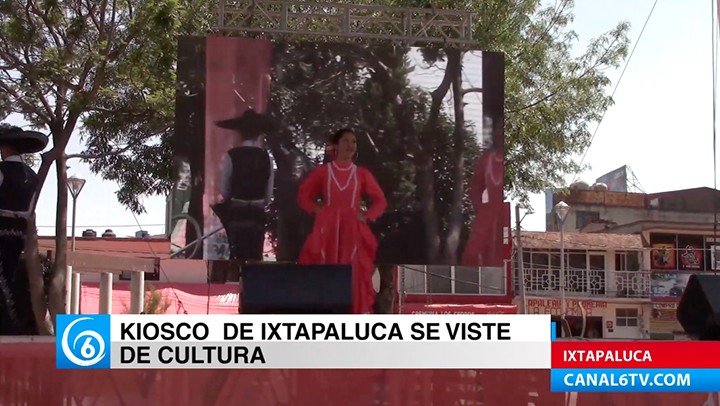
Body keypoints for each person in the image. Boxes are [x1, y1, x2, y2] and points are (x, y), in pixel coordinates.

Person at [297, 129, 387, 314]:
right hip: (327, 228)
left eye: (353, 142)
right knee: (324, 266)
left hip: (352, 230)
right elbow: (304, 195)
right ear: (336, 145)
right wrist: (317, 210)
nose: (350, 145)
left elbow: (380, 200)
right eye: (345, 141)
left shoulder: (361, 174)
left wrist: (367, 216)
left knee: (354, 271)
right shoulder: (323, 172)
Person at [0, 123, 48, 335]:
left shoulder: (2, 171)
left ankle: (8, 325)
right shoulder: (32, 175)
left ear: (5, 148)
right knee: (7, 276)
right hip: (19, 232)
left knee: (3, 281)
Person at [212, 109, 275, 261]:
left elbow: (225, 191)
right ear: (259, 133)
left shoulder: (231, 155)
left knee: (237, 255)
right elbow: (268, 196)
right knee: (255, 256)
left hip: (236, 213)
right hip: (257, 214)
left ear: (240, 133)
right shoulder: (267, 157)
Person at [461, 115, 505, 267]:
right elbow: (475, 187)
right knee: (473, 253)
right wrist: (481, 209)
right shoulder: (487, 158)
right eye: (499, 129)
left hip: (505, 214)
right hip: (488, 213)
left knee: (502, 253)